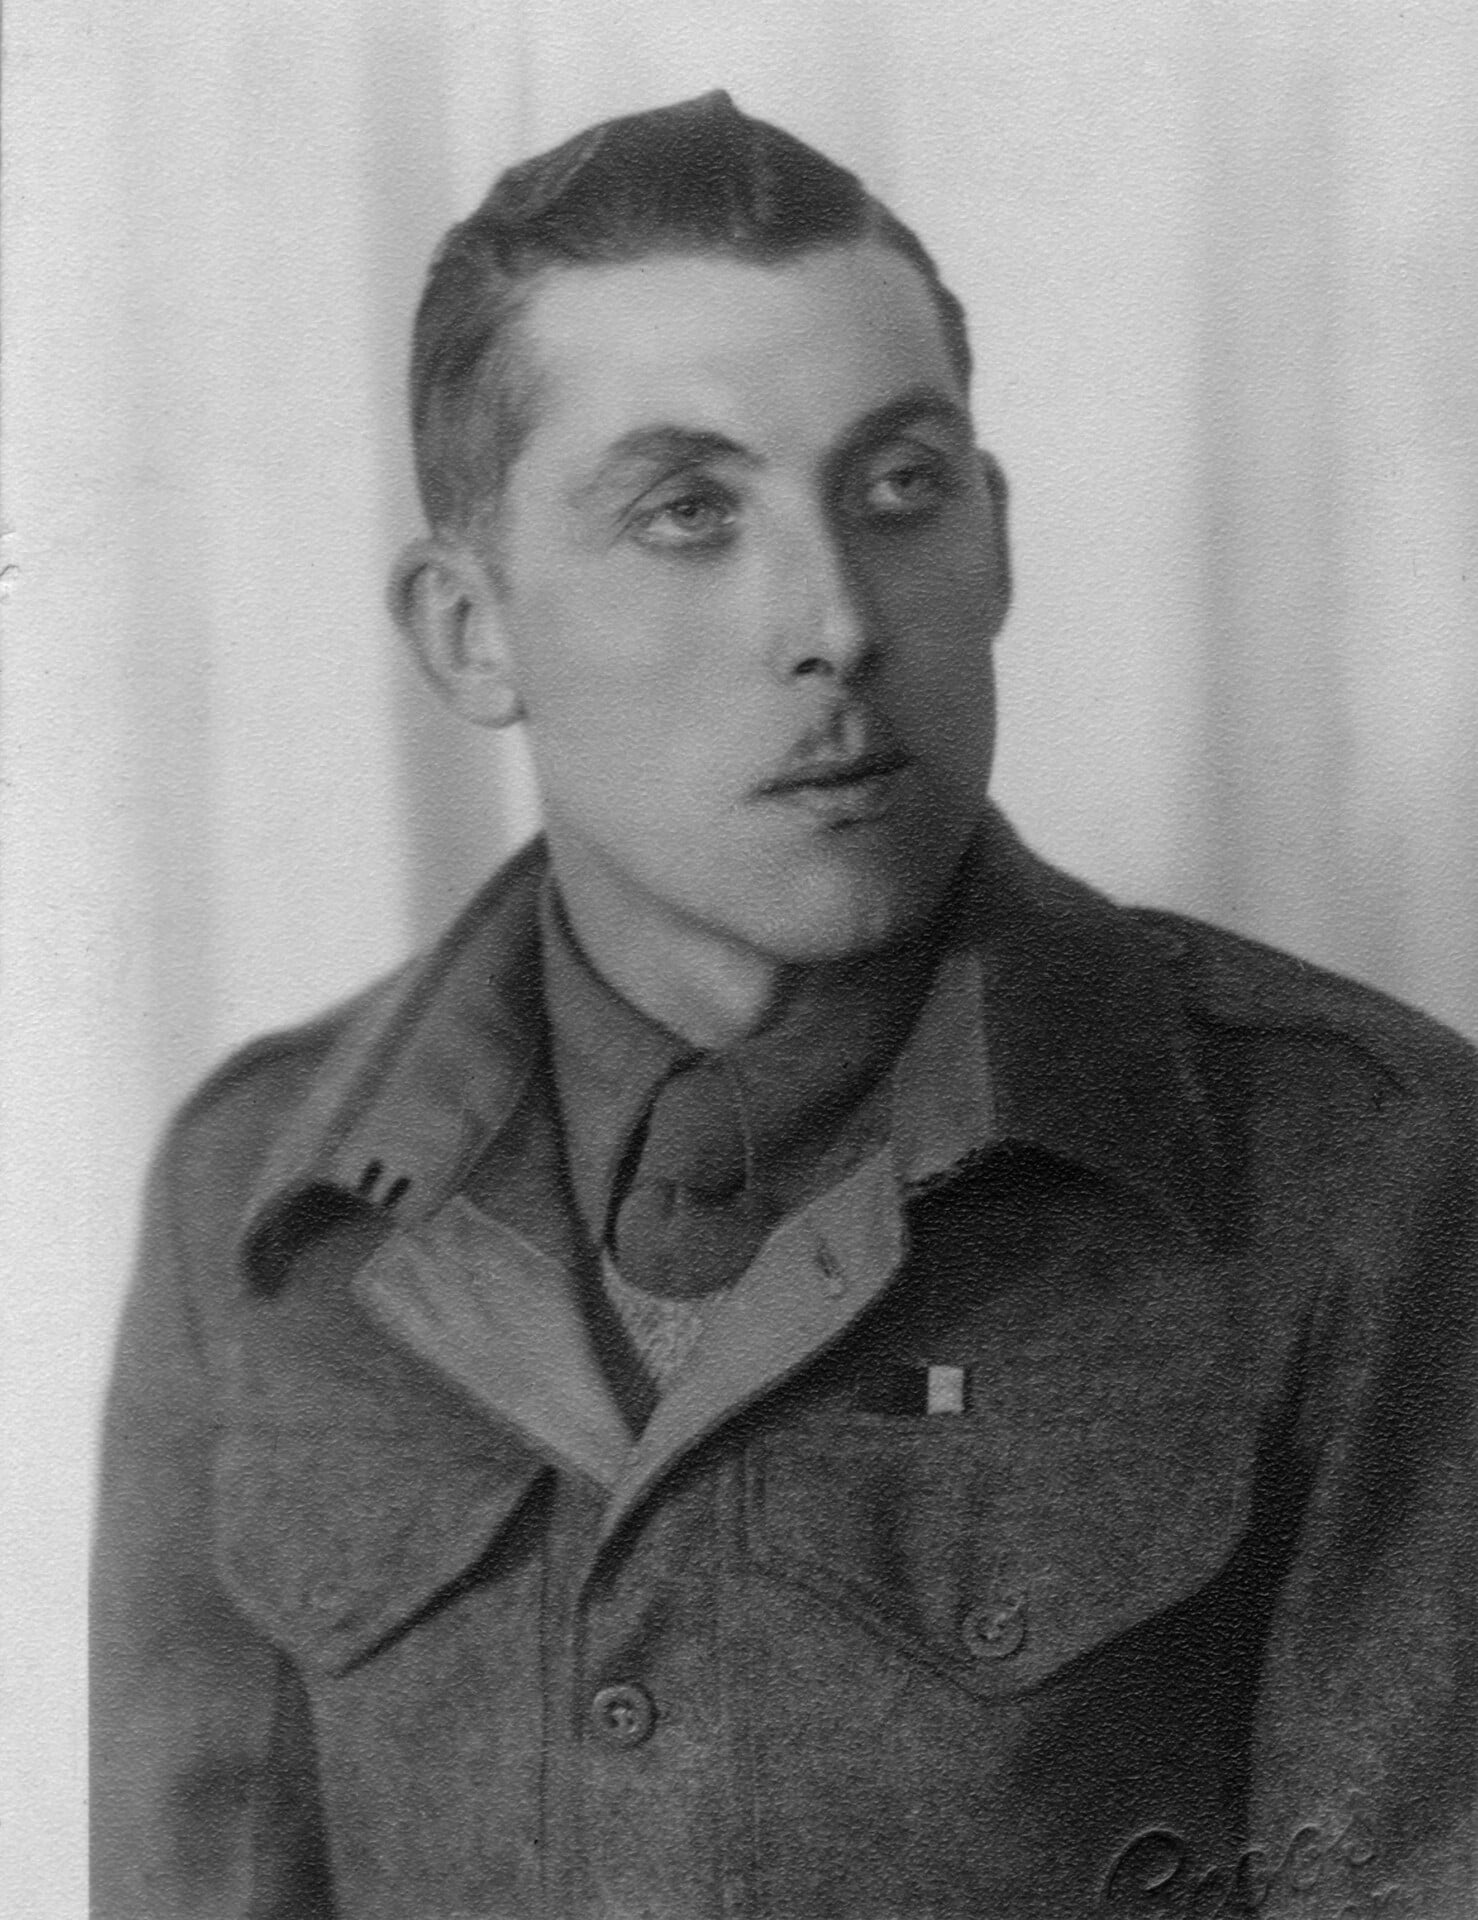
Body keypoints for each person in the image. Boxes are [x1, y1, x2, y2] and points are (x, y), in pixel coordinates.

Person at [91, 92, 1475, 1920]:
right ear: (467, 631)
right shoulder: (258, 1206)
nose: (831, 617)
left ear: (990, 540)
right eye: (684, 512)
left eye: (896, 488)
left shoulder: (1360, 1178)